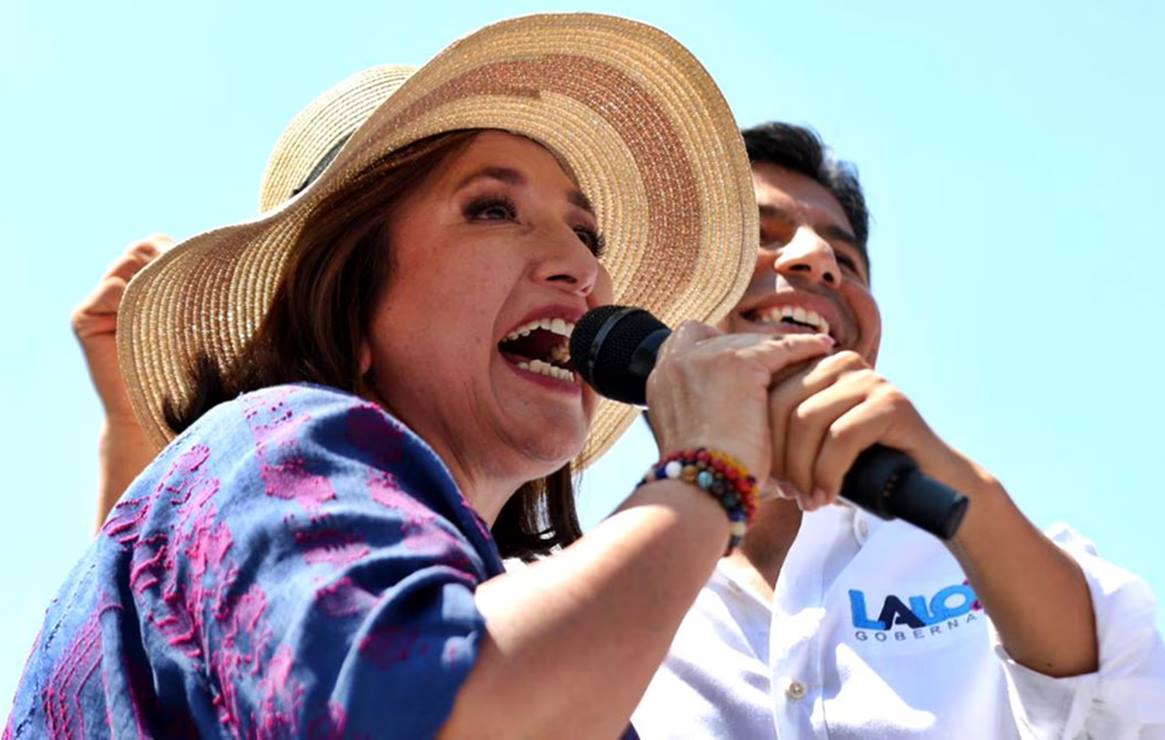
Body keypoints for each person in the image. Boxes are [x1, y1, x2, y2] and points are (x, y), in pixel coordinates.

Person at [9, 15, 829, 738]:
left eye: (589, 233)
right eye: (492, 209)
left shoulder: (528, 628)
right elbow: (439, 714)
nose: (581, 266)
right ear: (349, 296)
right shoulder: (285, 435)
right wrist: (707, 474)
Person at [629, 122, 1165, 738]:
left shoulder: (990, 555)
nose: (817, 261)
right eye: (758, 238)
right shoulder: (570, 589)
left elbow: (1151, 719)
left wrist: (967, 495)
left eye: (845, 259)